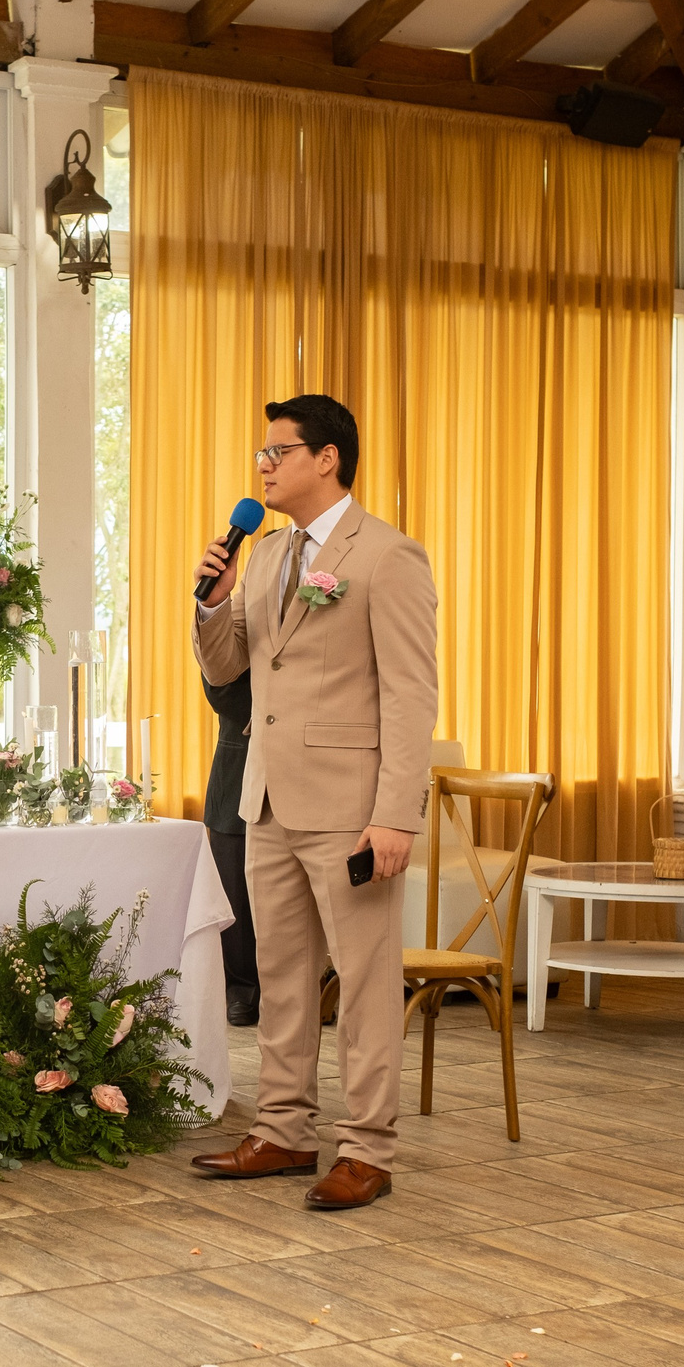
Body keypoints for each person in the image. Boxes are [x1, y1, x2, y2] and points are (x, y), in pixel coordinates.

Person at [186, 394, 440, 1210]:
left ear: (326, 458)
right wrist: (212, 601)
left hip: (350, 806)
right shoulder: (263, 556)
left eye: (278, 453)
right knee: (280, 976)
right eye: (261, 455)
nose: (263, 465)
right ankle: (285, 1130)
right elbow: (232, 672)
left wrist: (396, 812)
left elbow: (410, 694)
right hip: (268, 799)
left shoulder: (388, 556)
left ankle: (367, 1147)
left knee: (363, 983)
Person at [201, 672, 260, 1027]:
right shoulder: (233, 618)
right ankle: (242, 988)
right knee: (233, 890)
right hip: (237, 770)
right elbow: (220, 689)